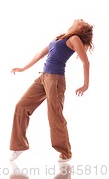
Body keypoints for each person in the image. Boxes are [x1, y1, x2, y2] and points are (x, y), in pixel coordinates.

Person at [9, 19, 93, 163]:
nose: (80, 20)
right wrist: (23, 68)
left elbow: (86, 62)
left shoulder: (75, 39)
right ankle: (19, 145)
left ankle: (65, 152)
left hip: (56, 80)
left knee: (55, 115)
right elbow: (39, 54)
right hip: (43, 77)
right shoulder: (60, 37)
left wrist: (86, 84)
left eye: (83, 22)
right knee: (21, 106)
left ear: (80, 30)